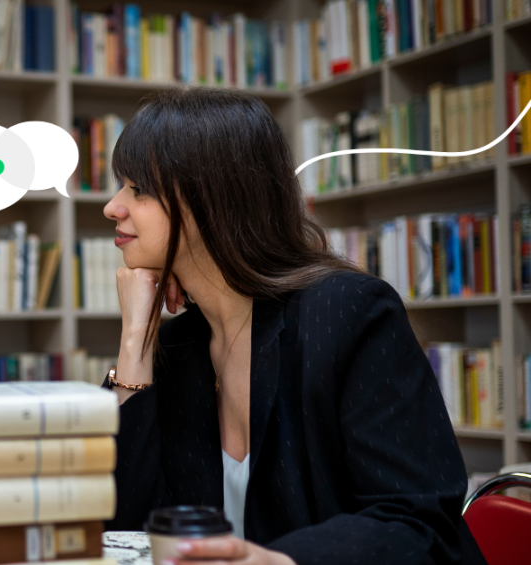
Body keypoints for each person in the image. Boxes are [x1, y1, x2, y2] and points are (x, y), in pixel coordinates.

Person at [102, 87, 486, 565]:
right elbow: (122, 529)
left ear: (211, 199)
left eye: (137, 189)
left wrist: (281, 562)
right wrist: (136, 336)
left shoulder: (349, 314)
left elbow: (417, 521)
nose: (112, 207)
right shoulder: (176, 347)